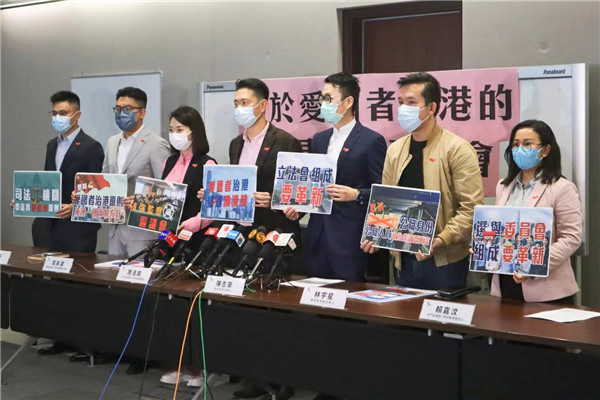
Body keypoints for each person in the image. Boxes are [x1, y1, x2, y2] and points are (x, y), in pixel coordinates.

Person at [198, 78, 299, 400]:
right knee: (249, 307)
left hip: (274, 234)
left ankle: (282, 379)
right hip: (243, 234)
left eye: (245, 103)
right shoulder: (235, 144)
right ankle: (255, 375)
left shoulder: (285, 141)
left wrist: (275, 200)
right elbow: (236, 188)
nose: (239, 109)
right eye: (236, 103)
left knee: (274, 309)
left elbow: (296, 192)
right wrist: (213, 196)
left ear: (262, 105)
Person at [361, 72, 484, 290]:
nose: (403, 109)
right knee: (404, 311)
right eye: (400, 102)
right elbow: (385, 202)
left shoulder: (457, 149)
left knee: (441, 312)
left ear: (431, 108)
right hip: (403, 258)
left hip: (444, 261)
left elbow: (471, 208)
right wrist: (377, 234)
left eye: (411, 102)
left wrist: (441, 240)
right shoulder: (395, 150)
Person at [284, 72, 387, 282]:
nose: (324, 104)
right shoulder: (320, 139)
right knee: (315, 293)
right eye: (322, 98)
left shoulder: (371, 140)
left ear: (348, 102)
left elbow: (383, 192)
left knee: (347, 295)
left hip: (348, 238)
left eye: (329, 98)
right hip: (317, 235)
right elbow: (313, 184)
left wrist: (357, 194)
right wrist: (299, 209)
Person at [35, 91, 104, 357]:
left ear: (77, 115)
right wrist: (29, 202)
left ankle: (85, 344)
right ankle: (60, 338)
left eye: (63, 113)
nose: (58, 118)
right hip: (53, 224)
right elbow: (46, 182)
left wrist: (75, 208)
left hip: (79, 226)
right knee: (57, 282)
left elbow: (97, 190)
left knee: (79, 284)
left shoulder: (91, 146)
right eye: (54, 113)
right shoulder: (51, 145)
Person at [490, 119, 582, 303]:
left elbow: (571, 237)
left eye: (527, 144)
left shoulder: (562, 187)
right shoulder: (503, 186)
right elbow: (501, 230)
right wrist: (484, 246)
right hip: (506, 282)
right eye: (515, 144)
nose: (520, 149)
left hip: (547, 289)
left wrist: (533, 264)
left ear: (545, 150)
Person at [157, 106, 215, 388]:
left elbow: (212, 208)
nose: (175, 134)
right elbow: (160, 198)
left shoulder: (207, 163)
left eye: (180, 129)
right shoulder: (170, 162)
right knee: (172, 304)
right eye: (171, 130)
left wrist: (191, 224)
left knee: (194, 306)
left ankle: (200, 369)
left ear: (194, 132)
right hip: (168, 240)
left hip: (195, 241)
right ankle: (178, 364)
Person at [102, 86, 171, 257]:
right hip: (115, 228)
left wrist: (141, 201)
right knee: (112, 272)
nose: (121, 114)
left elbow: (167, 189)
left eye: (127, 109)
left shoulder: (156, 144)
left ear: (142, 112)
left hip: (142, 232)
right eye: (117, 109)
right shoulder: (112, 142)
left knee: (138, 273)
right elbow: (105, 179)